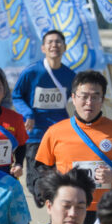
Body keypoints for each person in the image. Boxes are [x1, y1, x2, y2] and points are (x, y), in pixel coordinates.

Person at [34, 70, 112, 224]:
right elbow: (40, 169)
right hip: (67, 210)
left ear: (102, 100)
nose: (89, 102)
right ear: (73, 98)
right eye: (84, 96)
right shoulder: (55, 132)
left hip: (107, 210)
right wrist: (53, 193)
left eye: (95, 97)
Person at [12, 30, 75, 205]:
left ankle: (51, 200)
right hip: (36, 133)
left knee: (58, 174)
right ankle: (40, 193)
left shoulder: (70, 76)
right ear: (43, 48)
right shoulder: (32, 72)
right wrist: (28, 113)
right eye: (50, 42)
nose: (54, 45)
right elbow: (16, 96)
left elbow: (77, 98)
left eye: (58, 42)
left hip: (59, 133)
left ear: (64, 47)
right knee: (36, 175)